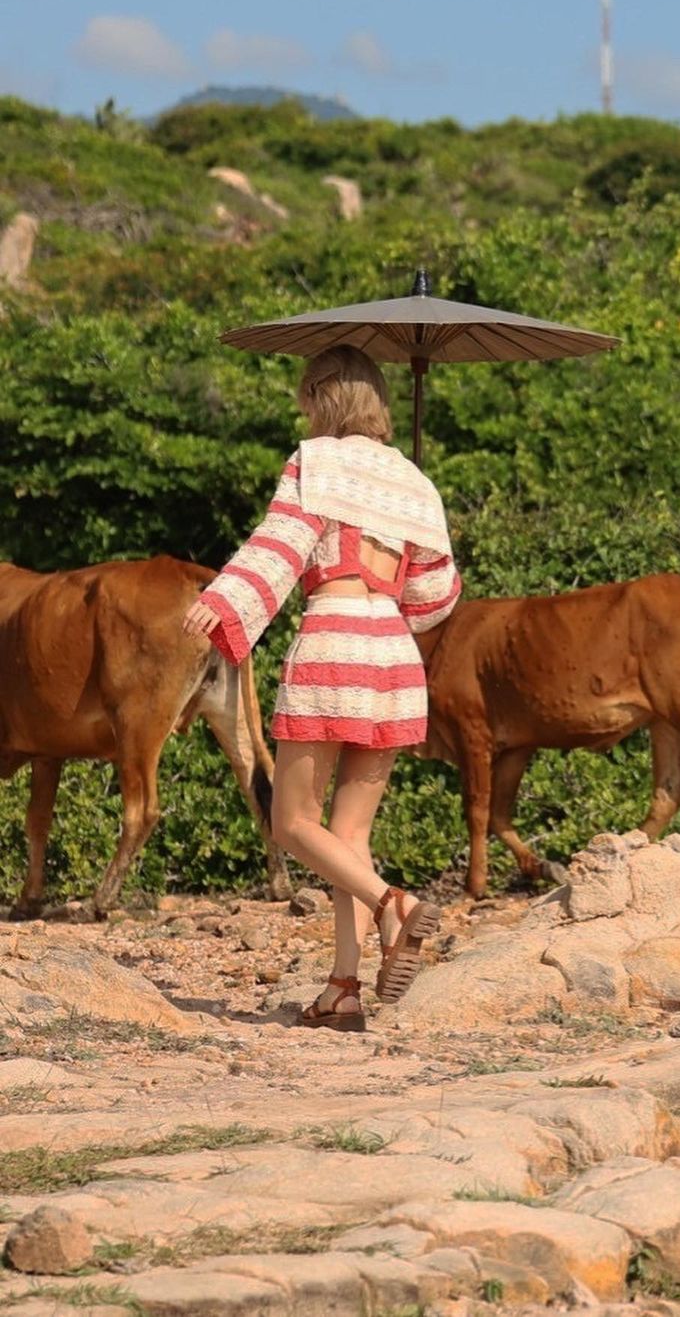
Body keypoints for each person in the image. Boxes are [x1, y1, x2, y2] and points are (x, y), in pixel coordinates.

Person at [182, 345, 461, 1030]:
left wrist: (224, 598)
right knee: (348, 832)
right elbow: (435, 594)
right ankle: (344, 986)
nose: (303, 405)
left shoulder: (316, 462)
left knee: (293, 821)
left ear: (324, 397)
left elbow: (280, 544)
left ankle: (392, 902)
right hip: (394, 655)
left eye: (307, 393)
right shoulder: (415, 483)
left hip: (335, 639)